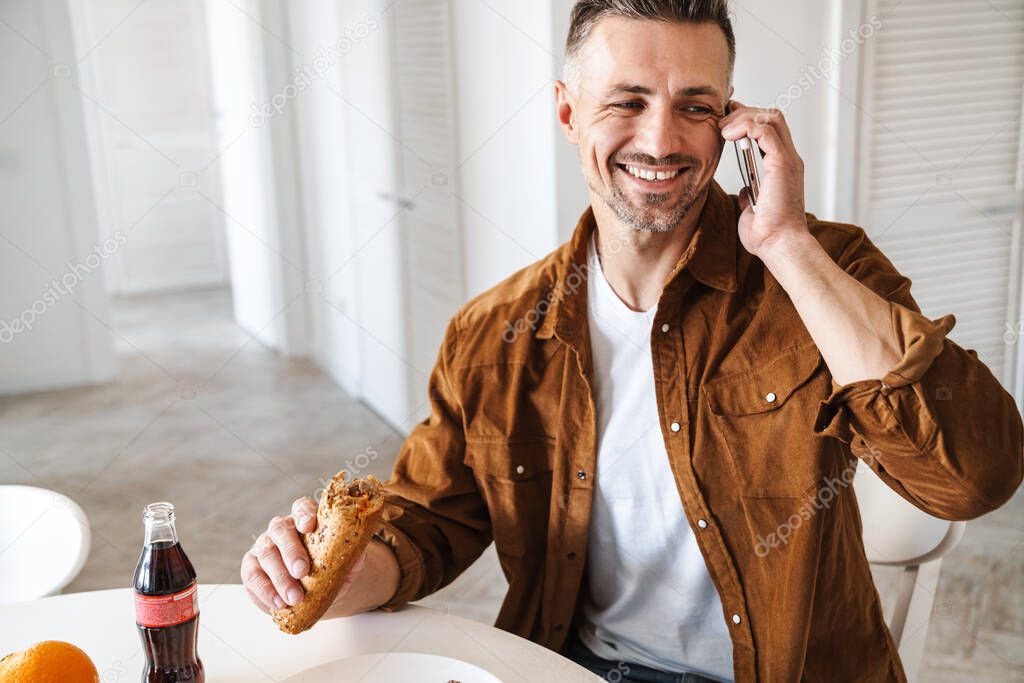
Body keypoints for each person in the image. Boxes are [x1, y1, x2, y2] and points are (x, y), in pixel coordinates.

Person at [241, 1, 1024, 681]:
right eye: (628, 100)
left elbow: (973, 476)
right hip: (566, 667)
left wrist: (784, 242)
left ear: (733, 122)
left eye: (695, 105)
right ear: (567, 111)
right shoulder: (492, 335)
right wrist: (342, 575)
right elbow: (429, 519)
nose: (662, 139)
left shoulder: (821, 271)